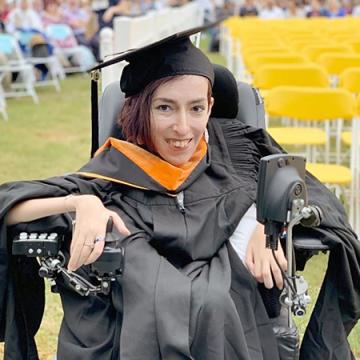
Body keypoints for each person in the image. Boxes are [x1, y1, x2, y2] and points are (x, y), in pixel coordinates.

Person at [1, 25, 359, 360]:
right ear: (138, 109)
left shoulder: (238, 149)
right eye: (164, 108)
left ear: (211, 107)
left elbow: (311, 194)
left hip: (231, 303)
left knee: (216, 302)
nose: (183, 128)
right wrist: (80, 202)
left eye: (196, 108)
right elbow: (11, 204)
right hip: (137, 322)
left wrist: (265, 220)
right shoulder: (115, 169)